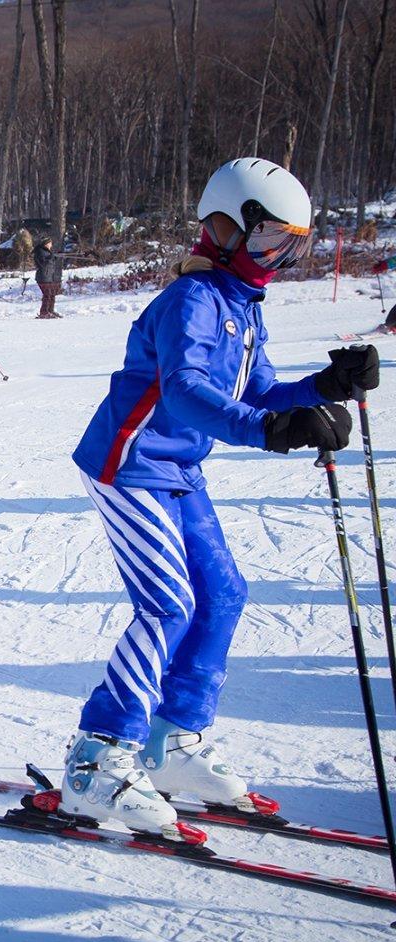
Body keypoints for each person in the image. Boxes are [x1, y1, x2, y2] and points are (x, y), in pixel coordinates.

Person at [65, 157, 379, 837]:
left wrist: (323, 387)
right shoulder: (192, 299)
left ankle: (173, 741)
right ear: (225, 226)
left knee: (224, 592)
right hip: (130, 464)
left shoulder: (241, 305)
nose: (278, 257)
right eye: (269, 240)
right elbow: (182, 390)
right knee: (168, 603)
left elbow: (258, 390)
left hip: (180, 470)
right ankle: (96, 757)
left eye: (292, 246)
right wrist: (268, 431)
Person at [34, 236, 63, 318]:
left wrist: (55, 257)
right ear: (46, 244)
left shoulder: (47, 252)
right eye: (50, 243)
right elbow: (43, 263)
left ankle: (50, 310)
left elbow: (49, 262)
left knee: (52, 294)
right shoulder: (40, 251)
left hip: (49, 277)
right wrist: (51, 257)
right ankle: (44, 312)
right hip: (43, 277)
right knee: (47, 294)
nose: (51, 245)